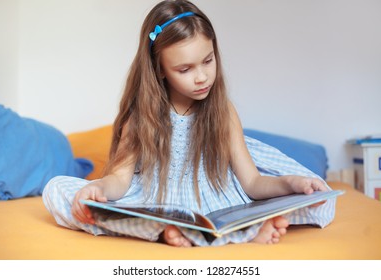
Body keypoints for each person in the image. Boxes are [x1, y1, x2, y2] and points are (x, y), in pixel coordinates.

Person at [43, 0, 336, 247]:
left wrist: (291, 183)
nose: (201, 77)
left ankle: (223, 231)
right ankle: (169, 230)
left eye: (208, 61)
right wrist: (97, 190)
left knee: (318, 193)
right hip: (155, 202)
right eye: (185, 69)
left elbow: (253, 183)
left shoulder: (223, 111)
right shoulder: (142, 115)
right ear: (159, 69)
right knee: (58, 191)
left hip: (214, 201)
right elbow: (120, 179)